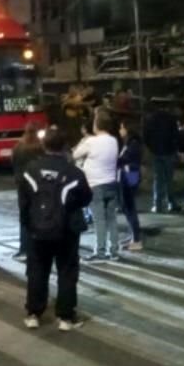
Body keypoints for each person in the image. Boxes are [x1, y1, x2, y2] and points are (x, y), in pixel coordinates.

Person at [20, 128, 92, 331]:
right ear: (64, 147)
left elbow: (23, 202)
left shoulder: (30, 170)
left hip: (37, 229)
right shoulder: (74, 172)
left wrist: (27, 224)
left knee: (37, 270)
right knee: (67, 271)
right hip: (67, 230)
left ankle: (34, 313)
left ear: (44, 146)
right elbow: (86, 198)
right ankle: (65, 317)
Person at [72, 112, 120, 261]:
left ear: (96, 125)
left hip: (95, 185)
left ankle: (100, 251)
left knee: (99, 220)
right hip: (111, 183)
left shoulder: (91, 142)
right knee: (111, 218)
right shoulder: (113, 141)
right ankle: (114, 251)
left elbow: (75, 155)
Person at [11, 122, 44, 261]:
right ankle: (40, 248)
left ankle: (24, 250)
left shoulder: (19, 147)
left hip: (23, 186)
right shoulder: (41, 147)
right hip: (39, 185)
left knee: (24, 218)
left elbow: (13, 162)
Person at [143, 107, 180, 213]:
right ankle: (171, 203)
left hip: (156, 152)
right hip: (169, 151)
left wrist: (151, 147)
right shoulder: (171, 119)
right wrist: (175, 148)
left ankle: (158, 204)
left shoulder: (150, 119)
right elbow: (176, 135)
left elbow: (146, 136)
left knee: (158, 179)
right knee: (169, 178)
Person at [117, 121, 143, 251]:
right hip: (128, 175)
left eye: (122, 127)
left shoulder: (133, 144)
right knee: (126, 206)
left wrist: (114, 161)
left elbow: (125, 159)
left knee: (129, 207)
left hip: (130, 176)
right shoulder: (129, 143)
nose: (120, 130)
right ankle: (133, 235)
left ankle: (136, 239)